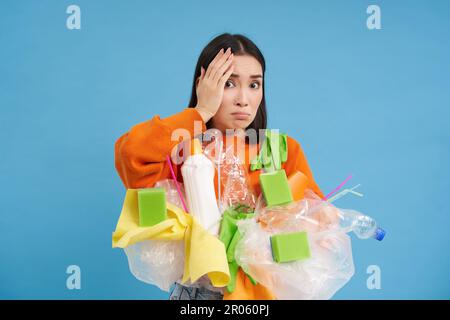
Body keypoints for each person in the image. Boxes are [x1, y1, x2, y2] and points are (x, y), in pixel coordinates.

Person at [114, 33, 324, 300]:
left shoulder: (281, 151)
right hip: (200, 295)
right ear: (206, 84)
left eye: (254, 85)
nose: (243, 99)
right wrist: (201, 111)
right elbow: (130, 154)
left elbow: (315, 218)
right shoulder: (183, 149)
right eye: (228, 83)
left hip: (264, 295)